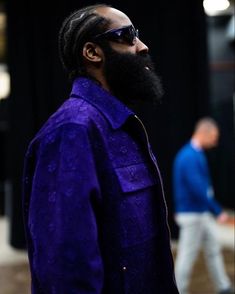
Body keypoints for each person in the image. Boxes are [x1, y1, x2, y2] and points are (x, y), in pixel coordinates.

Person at [22, 4, 179, 294]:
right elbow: (64, 270)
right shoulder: (72, 131)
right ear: (92, 52)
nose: (142, 46)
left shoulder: (119, 124)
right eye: (128, 36)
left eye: (139, 35)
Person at [173, 117, 234, 294]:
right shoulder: (188, 156)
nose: (215, 141)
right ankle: (178, 289)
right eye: (213, 137)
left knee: (213, 249)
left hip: (201, 213)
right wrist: (217, 210)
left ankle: (223, 286)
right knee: (187, 255)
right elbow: (198, 189)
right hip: (193, 215)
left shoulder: (196, 154)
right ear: (203, 133)